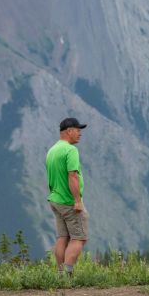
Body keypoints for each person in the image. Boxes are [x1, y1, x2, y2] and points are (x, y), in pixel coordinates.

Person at [46, 117, 89, 277]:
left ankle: (59, 273)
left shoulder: (52, 150)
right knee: (79, 237)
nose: (80, 134)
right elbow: (72, 175)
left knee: (62, 237)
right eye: (78, 130)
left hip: (55, 200)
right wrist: (77, 201)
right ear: (69, 131)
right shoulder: (70, 150)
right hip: (68, 202)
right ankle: (67, 274)